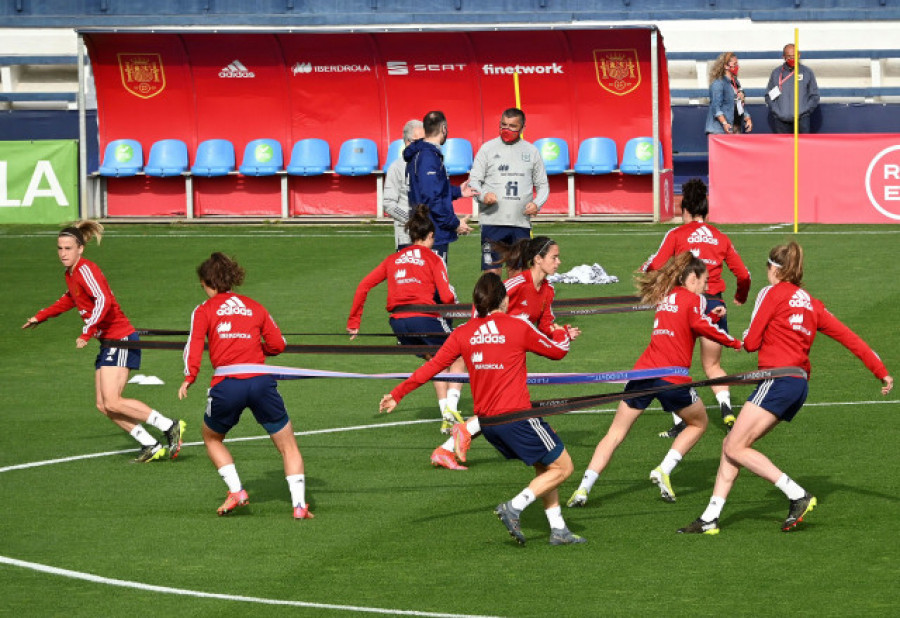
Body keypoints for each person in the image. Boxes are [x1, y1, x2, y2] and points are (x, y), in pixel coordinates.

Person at [678, 242, 893, 535]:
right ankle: (710, 518)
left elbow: (751, 342)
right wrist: (880, 371)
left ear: (773, 269)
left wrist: (742, 334)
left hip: (777, 380)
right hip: (798, 385)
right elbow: (849, 337)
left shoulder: (772, 293)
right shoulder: (812, 303)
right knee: (733, 447)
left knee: (735, 445)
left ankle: (796, 494)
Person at [380, 273, 584, 546]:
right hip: (517, 417)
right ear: (505, 299)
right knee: (564, 467)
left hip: (488, 424)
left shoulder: (463, 332)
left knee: (544, 464)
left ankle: (558, 529)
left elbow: (432, 366)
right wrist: (562, 331)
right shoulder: (517, 325)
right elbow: (558, 350)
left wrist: (397, 393)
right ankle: (514, 507)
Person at [567, 252, 742, 508]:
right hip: (672, 377)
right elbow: (701, 326)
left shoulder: (666, 297)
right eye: (704, 281)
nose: (706, 287)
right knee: (699, 423)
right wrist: (734, 341)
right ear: (692, 277)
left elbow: (686, 323)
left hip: (643, 373)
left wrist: (711, 316)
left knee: (615, 433)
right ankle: (664, 469)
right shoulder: (693, 300)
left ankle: (583, 489)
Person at [22, 220, 185, 463]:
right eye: (60, 248)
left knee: (113, 400)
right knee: (104, 405)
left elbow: (103, 301)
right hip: (108, 342)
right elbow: (70, 300)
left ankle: (169, 425)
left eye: (68, 248)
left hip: (120, 339)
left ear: (80, 249)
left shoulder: (87, 269)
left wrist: (87, 332)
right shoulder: (72, 274)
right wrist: (41, 316)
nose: (63, 253)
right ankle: (150, 444)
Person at [429, 236, 581, 471]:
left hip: (510, 354)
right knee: (502, 410)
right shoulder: (515, 284)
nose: (559, 262)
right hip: (492, 352)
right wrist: (478, 336)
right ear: (538, 260)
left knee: (499, 412)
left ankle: (445, 449)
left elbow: (546, 324)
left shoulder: (548, 290)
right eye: (555, 257)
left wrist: (561, 331)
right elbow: (482, 304)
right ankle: (452, 441)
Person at [179, 252, 312, 519]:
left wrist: (189, 377)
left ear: (208, 282)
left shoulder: (204, 310)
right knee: (288, 446)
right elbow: (278, 345)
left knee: (212, 437)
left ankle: (237, 491)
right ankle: (299, 506)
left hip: (228, 385)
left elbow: (193, 345)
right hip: (261, 382)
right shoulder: (255, 306)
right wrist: (253, 348)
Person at [641, 178, 751, 437]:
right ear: (706, 209)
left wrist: (647, 272)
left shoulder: (676, 234)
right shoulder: (720, 237)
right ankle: (726, 409)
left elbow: (656, 265)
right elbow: (744, 274)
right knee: (713, 366)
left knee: (674, 367)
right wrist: (740, 296)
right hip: (714, 303)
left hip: (683, 306)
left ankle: (680, 423)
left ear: (685, 210)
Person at [347, 204, 467, 437]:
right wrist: (454, 306)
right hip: (424, 318)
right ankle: (451, 411)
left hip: (398, 323)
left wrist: (354, 322)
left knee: (435, 360)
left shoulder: (393, 259)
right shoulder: (433, 259)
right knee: (458, 353)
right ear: (430, 236)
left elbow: (364, 285)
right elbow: (446, 296)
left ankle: (446, 418)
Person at [467, 108, 549, 275]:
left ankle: (515, 303)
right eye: (503, 125)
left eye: (513, 126)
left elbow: (543, 185)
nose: (507, 129)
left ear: (522, 128)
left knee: (517, 274)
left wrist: (537, 204)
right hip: (492, 223)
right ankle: (493, 303)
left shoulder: (531, 151)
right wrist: (483, 195)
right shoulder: (487, 149)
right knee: (491, 274)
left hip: (520, 224)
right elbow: (474, 181)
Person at [404, 110, 478, 262]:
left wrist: (457, 191)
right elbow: (432, 198)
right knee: (434, 282)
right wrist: (454, 223)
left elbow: (433, 190)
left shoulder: (424, 153)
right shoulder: (428, 157)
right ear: (444, 128)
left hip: (427, 230)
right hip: (431, 233)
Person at [383, 119, 425, 251]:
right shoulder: (396, 168)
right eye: (419, 142)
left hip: (430, 234)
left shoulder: (433, 164)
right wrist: (412, 220)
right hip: (406, 234)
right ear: (407, 142)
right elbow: (388, 203)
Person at [765, 43, 820, 134]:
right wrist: (777, 112)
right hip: (781, 122)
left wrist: (804, 112)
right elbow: (768, 95)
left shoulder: (807, 72)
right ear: (783, 56)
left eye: (794, 56)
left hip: (802, 121)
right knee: (783, 148)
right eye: (789, 57)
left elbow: (814, 96)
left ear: (799, 55)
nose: (792, 59)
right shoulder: (776, 73)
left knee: (803, 147)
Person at [705, 52, 752, 135]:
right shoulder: (718, 83)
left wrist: (747, 118)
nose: (737, 66)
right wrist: (724, 123)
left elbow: (739, 105)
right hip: (719, 130)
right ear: (726, 66)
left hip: (734, 128)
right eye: (735, 64)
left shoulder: (736, 83)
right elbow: (716, 106)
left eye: (737, 64)